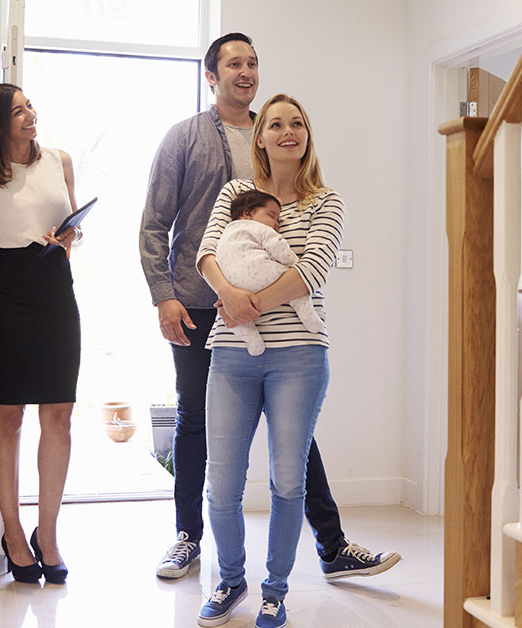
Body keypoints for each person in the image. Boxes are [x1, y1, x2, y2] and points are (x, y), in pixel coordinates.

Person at [139, 32, 400, 593]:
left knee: (294, 439)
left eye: (252, 62)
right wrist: (166, 294)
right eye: (233, 63)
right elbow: (159, 225)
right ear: (211, 75)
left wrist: (256, 300)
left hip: (283, 323)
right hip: (200, 304)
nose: (245, 71)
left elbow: (309, 266)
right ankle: (189, 536)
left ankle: (330, 546)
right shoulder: (185, 138)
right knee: (195, 423)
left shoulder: (276, 137)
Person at [0, 83, 82, 585]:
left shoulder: (60, 160)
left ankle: (47, 534)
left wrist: (68, 237)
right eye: (18, 111)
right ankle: (13, 533)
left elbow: (74, 230)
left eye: (30, 105)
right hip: (4, 295)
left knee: (58, 414)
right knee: (7, 416)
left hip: (55, 290)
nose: (30, 115)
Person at [215, 189, 324, 355]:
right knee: (294, 278)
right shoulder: (259, 228)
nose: (276, 223)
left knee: (237, 321)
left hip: (233, 285)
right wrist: (295, 261)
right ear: (248, 213)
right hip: (261, 273)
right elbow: (278, 247)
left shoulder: (225, 233)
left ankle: (251, 337)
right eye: (272, 215)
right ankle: (305, 313)